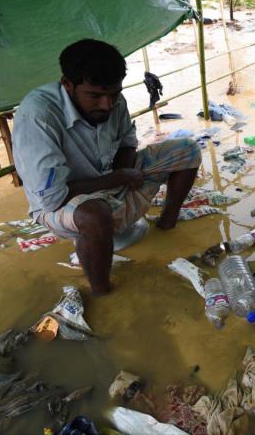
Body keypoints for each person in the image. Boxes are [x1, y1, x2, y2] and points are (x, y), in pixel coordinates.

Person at [12, 39, 201, 295]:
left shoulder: (114, 101)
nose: (107, 105)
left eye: (113, 93)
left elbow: (126, 142)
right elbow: (52, 196)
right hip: (61, 201)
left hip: (109, 178)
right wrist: (118, 178)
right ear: (67, 85)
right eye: (95, 96)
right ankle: (102, 291)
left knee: (188, 150)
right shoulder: (38, 116)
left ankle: (167, 224)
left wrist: (120, 177)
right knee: (95, 216)